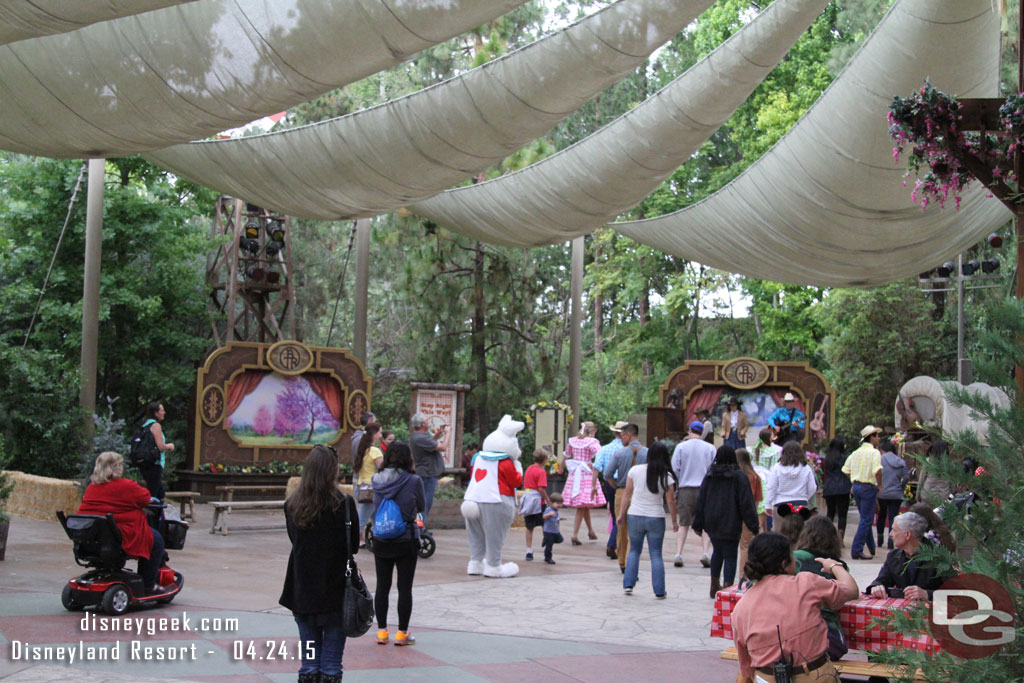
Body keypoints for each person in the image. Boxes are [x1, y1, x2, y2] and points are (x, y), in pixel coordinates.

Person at [279, 444, 359, 683]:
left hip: (302, 588)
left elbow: (295, 541)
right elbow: (352, 545)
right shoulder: (343, 504)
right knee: (331, 665)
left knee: (309, 662)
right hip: (336, 590)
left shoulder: (292, 505)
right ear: (332, 471)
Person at [732, 532, 858, 683]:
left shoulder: (741, 607)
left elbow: (745, 666)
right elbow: (851, 590)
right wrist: (834, 566)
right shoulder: (806, 583)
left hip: (766, 677)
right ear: (785, 563)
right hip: (815, 676)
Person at [78, 451, 165, 593]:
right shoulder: (126, 485)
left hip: (93, 536)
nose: (122, 467)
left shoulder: (92, 487)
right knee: (156, 541)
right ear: (115, 468)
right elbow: (145, 497)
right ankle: (148, 585)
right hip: (118, 535)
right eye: (120, 465)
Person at [371, 441, 426, 646]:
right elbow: (420, 505)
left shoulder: (376, 479)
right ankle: (402, 633)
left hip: (381, 538)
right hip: (406, 538)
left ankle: (382, 632)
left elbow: (375, 506)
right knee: (405, 588)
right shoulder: (414, 480)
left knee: (382, 586)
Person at [692, 445, 759, 598]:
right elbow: (746, 502)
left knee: (717, 551)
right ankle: (728, 586)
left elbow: (701, 499)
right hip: (731, 520)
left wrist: (698, 523)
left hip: (712, 521)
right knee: (730, 554)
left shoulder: (710, 476)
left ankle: (714, 584)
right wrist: (753, 524)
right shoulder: (738, 476)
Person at [618, 442, 678, 598]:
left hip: (635, 515)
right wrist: (674, 520)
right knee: (656, 554)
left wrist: (621, 514)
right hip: (655, 516)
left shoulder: (635, 471)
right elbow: (670, 501)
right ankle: (659, 590)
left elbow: (627, 494)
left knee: (634, 551)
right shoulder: (666, 476)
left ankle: (628, 584)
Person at [794, 516, 850, 661]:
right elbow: (849, 592)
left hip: (794, 637)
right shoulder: (839, 566)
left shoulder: (794, 558)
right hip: (830, 639)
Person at [865, 512, 950, 600]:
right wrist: (876, 586)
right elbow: (881, 580)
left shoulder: (940, 557)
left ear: (907, 534)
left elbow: (956, 592)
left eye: (894, 530)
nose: (890, 534)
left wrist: (927, 594)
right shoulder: (893, 556)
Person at [670, 421, 716, 568]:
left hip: (685, 488)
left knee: (683, 523)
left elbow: (674, 468)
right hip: (705, 489)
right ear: (702, 432)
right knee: (707, 524)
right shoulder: (710, 448)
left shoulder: (681, 447)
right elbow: (713, 468)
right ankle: (705, 553)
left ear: (689, 430)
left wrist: (679, 481)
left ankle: (678, 553)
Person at [603, 423, 647, 573]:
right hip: (641, 493)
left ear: (628, 435)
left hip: (622, 492)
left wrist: (616, 487)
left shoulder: (620, 453)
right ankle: (632, 560)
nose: (621, 439)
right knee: (637, 529)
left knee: (621, 527)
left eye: (622, 436)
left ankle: (622, 562)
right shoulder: (647, 453)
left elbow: (607, 474)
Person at [843, 425, 883, 560]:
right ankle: (857, 550)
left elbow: (846, 470)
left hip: (857, 487)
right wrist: (880, 485)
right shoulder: (874, 453)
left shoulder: (855, 453)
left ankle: (871, 547)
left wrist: (856, 478)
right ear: (871, 437)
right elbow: (877, 470)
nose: (878, 438)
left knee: (865, 518)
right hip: (868, 487)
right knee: (867, 519)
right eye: (877, 436)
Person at [563, 421, 606, 545]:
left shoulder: (573, 440)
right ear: (592, 431)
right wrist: (594, 464)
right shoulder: (592, 442)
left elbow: (566, 454)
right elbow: (600, 455)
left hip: (575, 473)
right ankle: (574, 535)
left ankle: (590, 531)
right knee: (582, 506)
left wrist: (561, 467)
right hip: (586, 474)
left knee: (584, 504)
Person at [409, 413, 450, 526]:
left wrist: (440, 432)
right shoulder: (420, 438)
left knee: (425, 501)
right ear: (422, 424)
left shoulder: (418, 437)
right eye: (426, 421)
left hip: (427, 472)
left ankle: (420, 526)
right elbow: (442, 447)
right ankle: (420, 527)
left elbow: (431, 442)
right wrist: (448, 433)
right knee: (425, 502)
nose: (428, 423)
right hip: (427, 473)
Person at [594, 421, 627, 560]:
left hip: (609, 483)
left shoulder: (605, 448)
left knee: (614, 514)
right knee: (622, 515)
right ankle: (613, 544)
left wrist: (592, 485)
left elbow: (597, 467)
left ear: (614, 433)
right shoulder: (628, 450)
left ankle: (615, 543)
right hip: (624, 483)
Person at [765, 441, 817, 527]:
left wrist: (768, 504)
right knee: (799, 535)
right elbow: (813, 487)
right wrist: (804, 497)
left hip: (781, 505)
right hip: (800, 505)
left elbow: (771, 487)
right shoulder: (806, 468)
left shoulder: (777, 467)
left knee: (781, 535)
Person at [735, 447, 763, 578]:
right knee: (745, 545)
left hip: (733, 514)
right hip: (748, 514)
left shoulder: (734, 475)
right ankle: (743, 574)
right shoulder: (754, 476)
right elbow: (757, 499)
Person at [354, 423, 384, 539]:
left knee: (376, 517)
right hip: (371, 490)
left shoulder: (363, 450)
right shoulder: (375, 451)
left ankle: (379, 539)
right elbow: (382, 470)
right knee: (361, 521)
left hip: (361, 488)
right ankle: (350, 543)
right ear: (373, 434)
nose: (381, 436)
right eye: (379, 433)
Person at [520, 448, 551, 561]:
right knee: (545, 524)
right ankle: (547, 549)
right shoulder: (541, 471)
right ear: (543, 460)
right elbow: (541, 488)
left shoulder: (528, 469)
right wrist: (547, 499)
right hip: (538, 501)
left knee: (529, 527)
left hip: (527, 499)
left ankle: (529, 551)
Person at [876, 437, 907, 550]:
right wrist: (901, 488)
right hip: (896, 494)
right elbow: (906, 477)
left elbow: (876, 474)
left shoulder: (879, 460)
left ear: (883, 449)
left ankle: (879, 538)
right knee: (893, 516)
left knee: (881, 515)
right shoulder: (900, 461)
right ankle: (891, 540)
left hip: (882, 493)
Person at [139, 401, 174, 501]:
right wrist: (170, 446)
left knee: (160, 493)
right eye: (162, 410)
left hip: (145, 463)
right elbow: (160, 446)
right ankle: (150, 515)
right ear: (155, 412)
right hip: (155, 463)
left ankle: (160, 514)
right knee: (153, 494)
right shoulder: (155, 426)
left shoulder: (145, 425)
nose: (164, 412)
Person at [821, 437, 852, 547]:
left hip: (829, 488)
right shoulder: (845, 458)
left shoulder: (827, 458)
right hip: (843, 488)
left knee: (830, 513)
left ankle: (827, 537)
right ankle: (840, 538)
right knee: (842, 515)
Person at [752, 428, 781, 530]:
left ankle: (759, 528)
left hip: (756, 477)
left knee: (758, 504)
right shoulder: (773, 451)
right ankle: (767, 528)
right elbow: (773, 467)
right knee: (767, 503)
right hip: (767, 478)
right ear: (769, 438)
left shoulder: (754, 449)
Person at [917, 438, 955, 507]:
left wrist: (917, 497)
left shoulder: (928, 461)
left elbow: (921, 480)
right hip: (943, 496)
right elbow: (952, 483)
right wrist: (952, 495)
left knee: (926, 516)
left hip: (927, 494)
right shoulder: (950, 464)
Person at [541, 492, 564, 564]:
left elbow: (555, 518)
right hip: (549, 531)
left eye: (561, 503)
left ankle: (546, 540)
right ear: (551, 503)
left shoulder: (556, 511)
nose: (559, 505)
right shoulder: (549, 509)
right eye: (557, 503)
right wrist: (549, 514)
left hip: (555, 530)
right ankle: (548, 558)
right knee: (549, 546)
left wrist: (560, 519)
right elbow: (544, 516)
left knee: (560, 539)